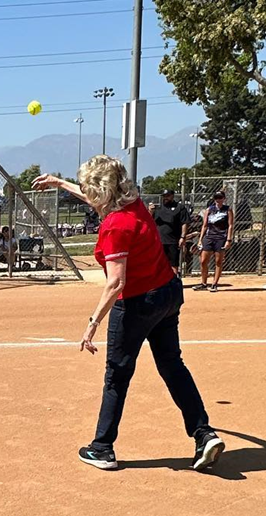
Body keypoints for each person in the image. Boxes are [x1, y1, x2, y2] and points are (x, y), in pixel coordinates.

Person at [33, 155, 223, 472]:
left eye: (88, 188)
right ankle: (204, 433)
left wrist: (91, 324)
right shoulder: (132, 207)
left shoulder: (114, 226)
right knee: (172, 366)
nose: (86, 193)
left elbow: (115, 282)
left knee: (117, 375)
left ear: (102, 193)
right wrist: (59, 183)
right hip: (168, 293)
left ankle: (102, 448)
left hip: (138, 302)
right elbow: (94, 199)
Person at [194, 191, 235, 293]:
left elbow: (230, 225)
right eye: (216, 197)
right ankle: (203, 283)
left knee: (218, 261)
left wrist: (228, 240)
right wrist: (200, 240)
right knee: (203, 261)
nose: (218, 199)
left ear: (224, 198)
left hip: (221, 237)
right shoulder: (209, 210)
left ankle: (214, 283)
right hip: (209, 237)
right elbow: (204, 225)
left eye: (220, 197)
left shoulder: (227, 210)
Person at [149, 189, 190, 275]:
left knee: (173, 264)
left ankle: (173, 282)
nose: (165, 198)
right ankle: (160, 283)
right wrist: (150, 211)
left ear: (172, 196)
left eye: (167, 196)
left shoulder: (179, 207)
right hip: (159, 241)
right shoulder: (158, 208)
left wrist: (182, 237)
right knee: (158, 263)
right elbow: (148, 222)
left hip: (173, 240)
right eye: (164, 196)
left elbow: (184, 223)